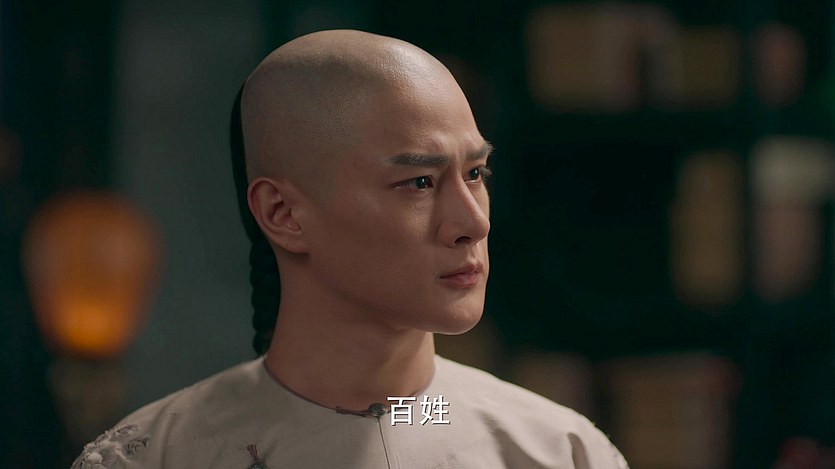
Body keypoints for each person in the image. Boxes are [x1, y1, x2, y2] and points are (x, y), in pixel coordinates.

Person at [72, 30, 629, 469]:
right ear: (282, 214)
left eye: (475, 173)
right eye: (419, 182)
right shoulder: (159, 455)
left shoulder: (559, 452)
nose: (474, 222)